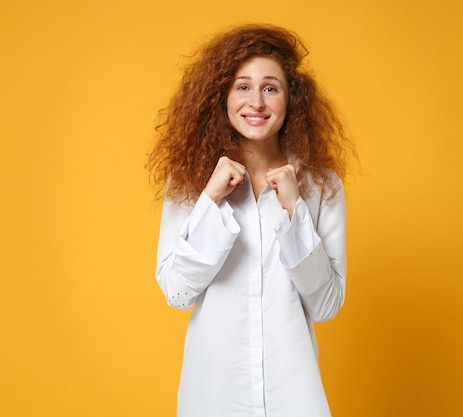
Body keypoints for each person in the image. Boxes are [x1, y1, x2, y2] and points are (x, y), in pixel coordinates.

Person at [147, 24, 354, 417]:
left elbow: (326, 305)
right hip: (214, 394)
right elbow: (177, 292)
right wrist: (210, 201)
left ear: (290, 99)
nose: (256, 102)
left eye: (270, 88)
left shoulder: (320, 186)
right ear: (222, 96)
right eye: (243, 86)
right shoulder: (191, 182)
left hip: (293, 394)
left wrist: (295, 212)